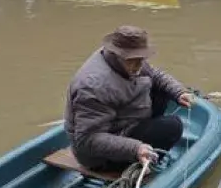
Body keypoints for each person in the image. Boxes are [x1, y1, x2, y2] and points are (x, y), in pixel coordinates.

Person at [64, 25, 194, 172]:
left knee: (163, 91)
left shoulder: (127, 61)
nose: (139, 65)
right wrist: (135, 148)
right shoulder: (93, 86)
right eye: (133, 59)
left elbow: (154, 75)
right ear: (117, 54)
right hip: (99, 157)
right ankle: (137, 162)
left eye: (141, 58)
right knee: (173, 126)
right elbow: (87, 140)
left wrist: (178, 92)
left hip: (122, 123)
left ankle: (145, 145)